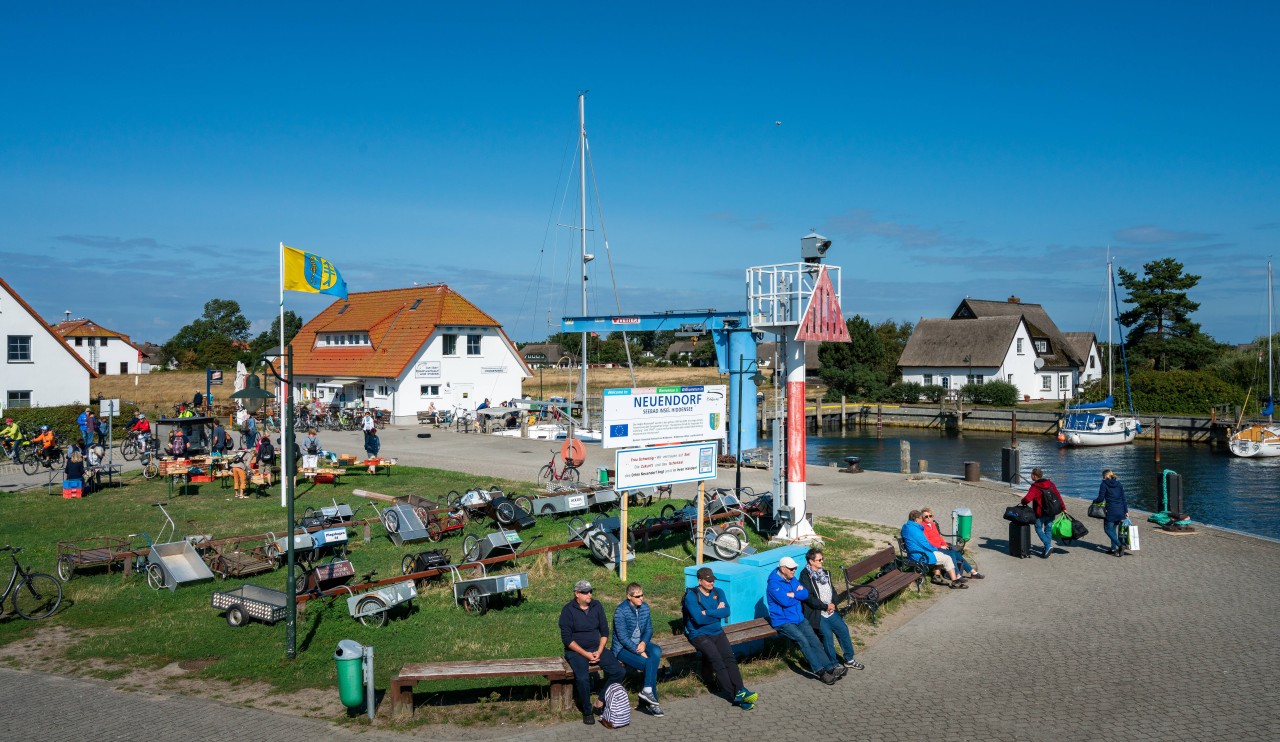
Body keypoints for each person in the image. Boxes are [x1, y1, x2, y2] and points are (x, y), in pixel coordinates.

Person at [684, 566, 758, 709]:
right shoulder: (692, 596)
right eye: (708, 581)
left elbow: (727, 611)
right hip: (699, 634)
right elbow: (699, 620)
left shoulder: (719, 592)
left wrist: (708, 612)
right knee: (717, 660)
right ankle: (735, 695)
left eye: (712, 580)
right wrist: (716, 612)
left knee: (730, 658)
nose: (712, 583)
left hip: (717, 631)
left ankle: (741, 690)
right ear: (700, 581)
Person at [767, 556, 844, 684]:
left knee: (814, 640)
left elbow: (805, 594)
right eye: (791, 568)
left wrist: (793, 594)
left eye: (795, 568)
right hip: (783, 621)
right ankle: (820, 671)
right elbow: (785, 602)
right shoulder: (773, 585)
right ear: (783, 568)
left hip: (799, 618)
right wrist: (796, 595)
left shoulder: (791, 579)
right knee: (803, 641)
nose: (794, 571)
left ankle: (830, 667)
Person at [559, 580, 626, 725]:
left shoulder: (597, 606)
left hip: (597, 647)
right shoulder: (568, 610)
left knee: (619, 671)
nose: (589, 594)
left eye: (590, 591)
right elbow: (567, 639)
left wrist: (599, 651)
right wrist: (586, 654)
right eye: (585, 592)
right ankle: (587, 710)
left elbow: (604, 631)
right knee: (582, 678)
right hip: (576, 651)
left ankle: (600, 701)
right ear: (577, 594)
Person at [799, 547, 863, 671]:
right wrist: (825, 606)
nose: (822, 562)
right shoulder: (805, 576)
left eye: (822, 559)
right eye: (819, 560)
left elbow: (832, 590)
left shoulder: (825, 573)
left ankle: (849, 659)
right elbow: (809, 597)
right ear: (811, 561)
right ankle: (832, 664)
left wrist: (833, 603)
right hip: (818, 613)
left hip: (831, 610)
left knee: (843, 630)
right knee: (827, 636)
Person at [613, 582, 665, 717]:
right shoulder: (620, 611)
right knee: (650, 664)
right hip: (622, 648)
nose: (641, 598)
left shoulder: (645, 608)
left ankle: (647, 690)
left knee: (656, 651)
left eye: (642, 595)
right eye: (637, 596)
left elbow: (649, 629)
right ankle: (653, 704)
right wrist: (639, 650)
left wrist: (643, 642)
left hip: (640, 643)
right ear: (629, 597)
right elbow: (622, 637)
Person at [902, 510, 968, 587]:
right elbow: (925, 544)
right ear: (916, 520)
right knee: (947, 558)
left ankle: (937, 576)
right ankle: (955, 582)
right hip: (920, 555)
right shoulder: (916, 531)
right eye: (921, 518)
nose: (922, 520)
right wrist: (936, 548)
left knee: (941, 555)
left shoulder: (906, 527)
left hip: (914, 553)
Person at [922, 507, 984, 579]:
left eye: (930, 516)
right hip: (934, 548)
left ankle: (973, 572)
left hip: (941, 546)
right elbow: (927, 541)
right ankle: (957, 575)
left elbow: (939, 537)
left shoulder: (932, 524)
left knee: (956, 553)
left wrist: (944, 544)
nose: (929, 518)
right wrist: (940, 546)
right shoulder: (923, 527)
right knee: (951, 554)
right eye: (926, 517)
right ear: (923, 518)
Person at [1021, 467, 1067, 559]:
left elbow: (1027, 499)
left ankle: (1048, 545)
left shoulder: (1035, 486)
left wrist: (1022, 502)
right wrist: (1063, 507)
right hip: (1051, 511)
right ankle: (1047, 548)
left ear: (1034, 475)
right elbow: (1058, 495)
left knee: (1038, 528)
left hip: (1040, 512)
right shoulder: (1051, 484)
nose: (1031, 476)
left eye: (1031, 474)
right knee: (1048, 529)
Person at [1098, 469, 1131, 557]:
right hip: (1120, 510)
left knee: (1108, 529)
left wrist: (1094, 501)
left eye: (1102, 476)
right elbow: (1123, 498)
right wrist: (1126, 511)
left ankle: (1120, 545)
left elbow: (1100, 498)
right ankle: (1113, 549)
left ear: (1105, 476)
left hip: (1111, 510)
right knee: (1113, 529)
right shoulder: (1119, 484)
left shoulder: (1104, 484)